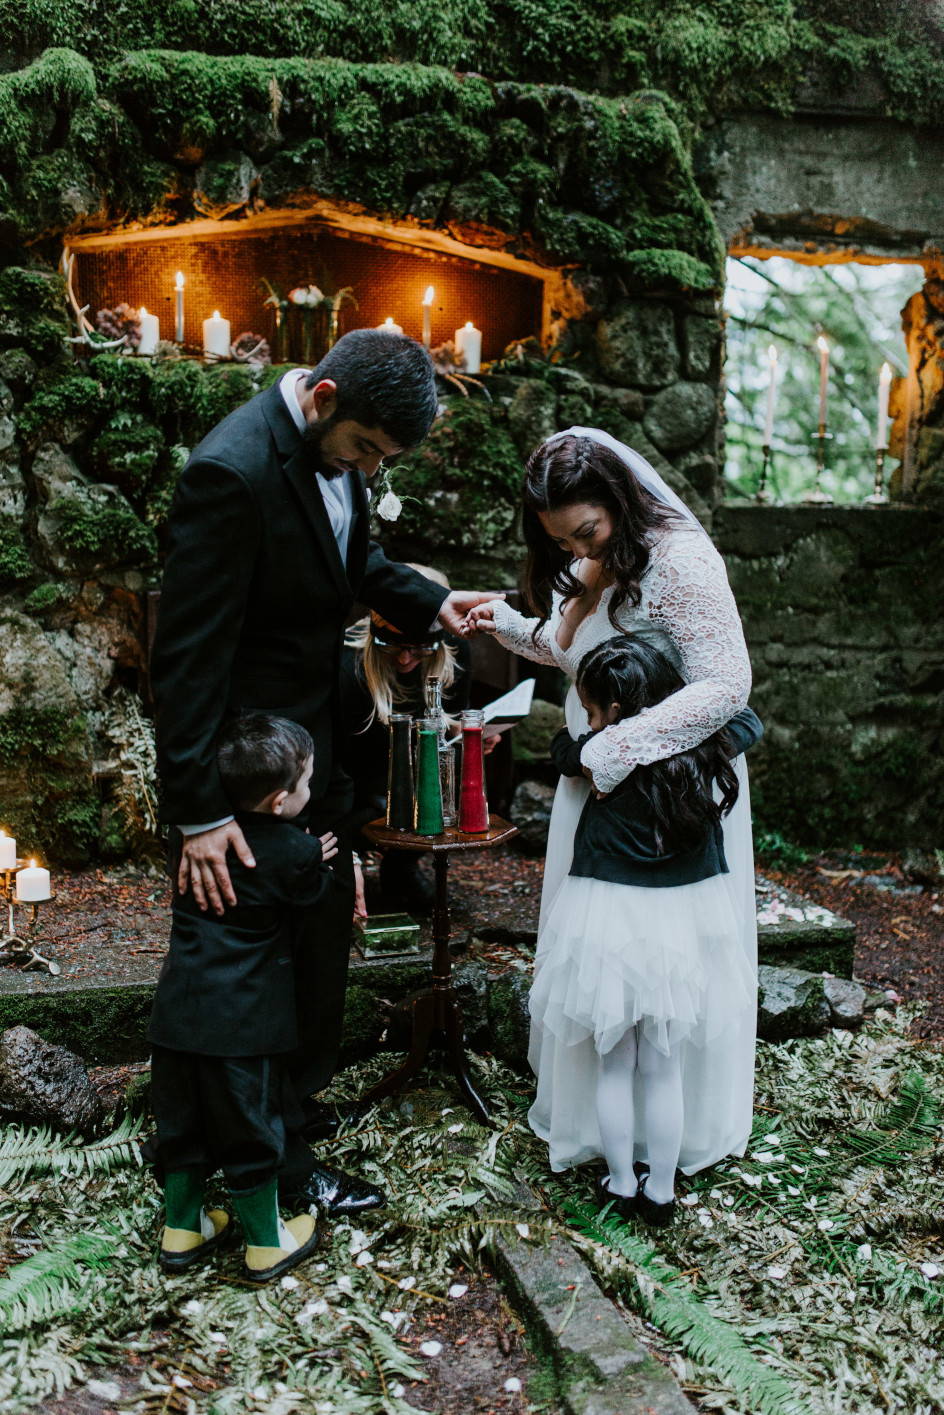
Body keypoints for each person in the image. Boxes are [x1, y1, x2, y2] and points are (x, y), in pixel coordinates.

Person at [150, 330, 501, 1216]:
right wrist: (198, 814)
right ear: (325, 394)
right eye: (367, 450)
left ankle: (280, 1130)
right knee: (255, 972)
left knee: (316, 952)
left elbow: (355, 563)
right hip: (247, 776)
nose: (370, 468)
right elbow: (185, 660)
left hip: (312, 752)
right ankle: (266, 1165)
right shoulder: (228, 474)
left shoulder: (334, 451)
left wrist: (432, 600)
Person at [465, 427, 758, 1183]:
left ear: (619, 500)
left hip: (663, 803)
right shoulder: (601, 558)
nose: (573, 550)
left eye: (584, 531)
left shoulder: (684, 563)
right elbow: (579, 652)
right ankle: (604, 1133)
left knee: (655, 975)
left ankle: (665, 1146)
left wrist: (612, 751)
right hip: (597, 796)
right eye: (560, 539)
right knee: (600, 971)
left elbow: (726, 686)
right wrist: (496, 619)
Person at [538, 638, 762, 1224]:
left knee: (615, 1061)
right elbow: (749, 718)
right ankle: (660, 1192)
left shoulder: (597, 752)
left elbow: (562, 751)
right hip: (683, 916)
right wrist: (687, 713)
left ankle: (618, 1181)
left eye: (591, 710)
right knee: (663, 1065)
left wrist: (589, 736)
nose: (586, 723)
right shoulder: (709, 744)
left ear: (612, 712)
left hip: (608, 915)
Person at [149, 714, 340, 1282]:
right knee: (251, 1127)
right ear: (282, 801)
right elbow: (312, 901)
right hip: (245, 1023)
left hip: (178, 1014)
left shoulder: (193, 839)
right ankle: (265, 1243)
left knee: (179, 1123)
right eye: (307, 783)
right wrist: (318, 861)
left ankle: (181, 1231)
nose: (311, 790)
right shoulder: (295, 853)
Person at [340, 564, 475, 913]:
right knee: (394, 802)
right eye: (391, 645)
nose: (404, 658)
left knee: (436, 789)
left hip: (419, 779)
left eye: (419, 648)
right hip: (356, 787)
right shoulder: (348, 668)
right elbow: (333, 761)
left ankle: (402, 868)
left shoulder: (456, 657)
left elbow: (452, 720)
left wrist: (467, 735)